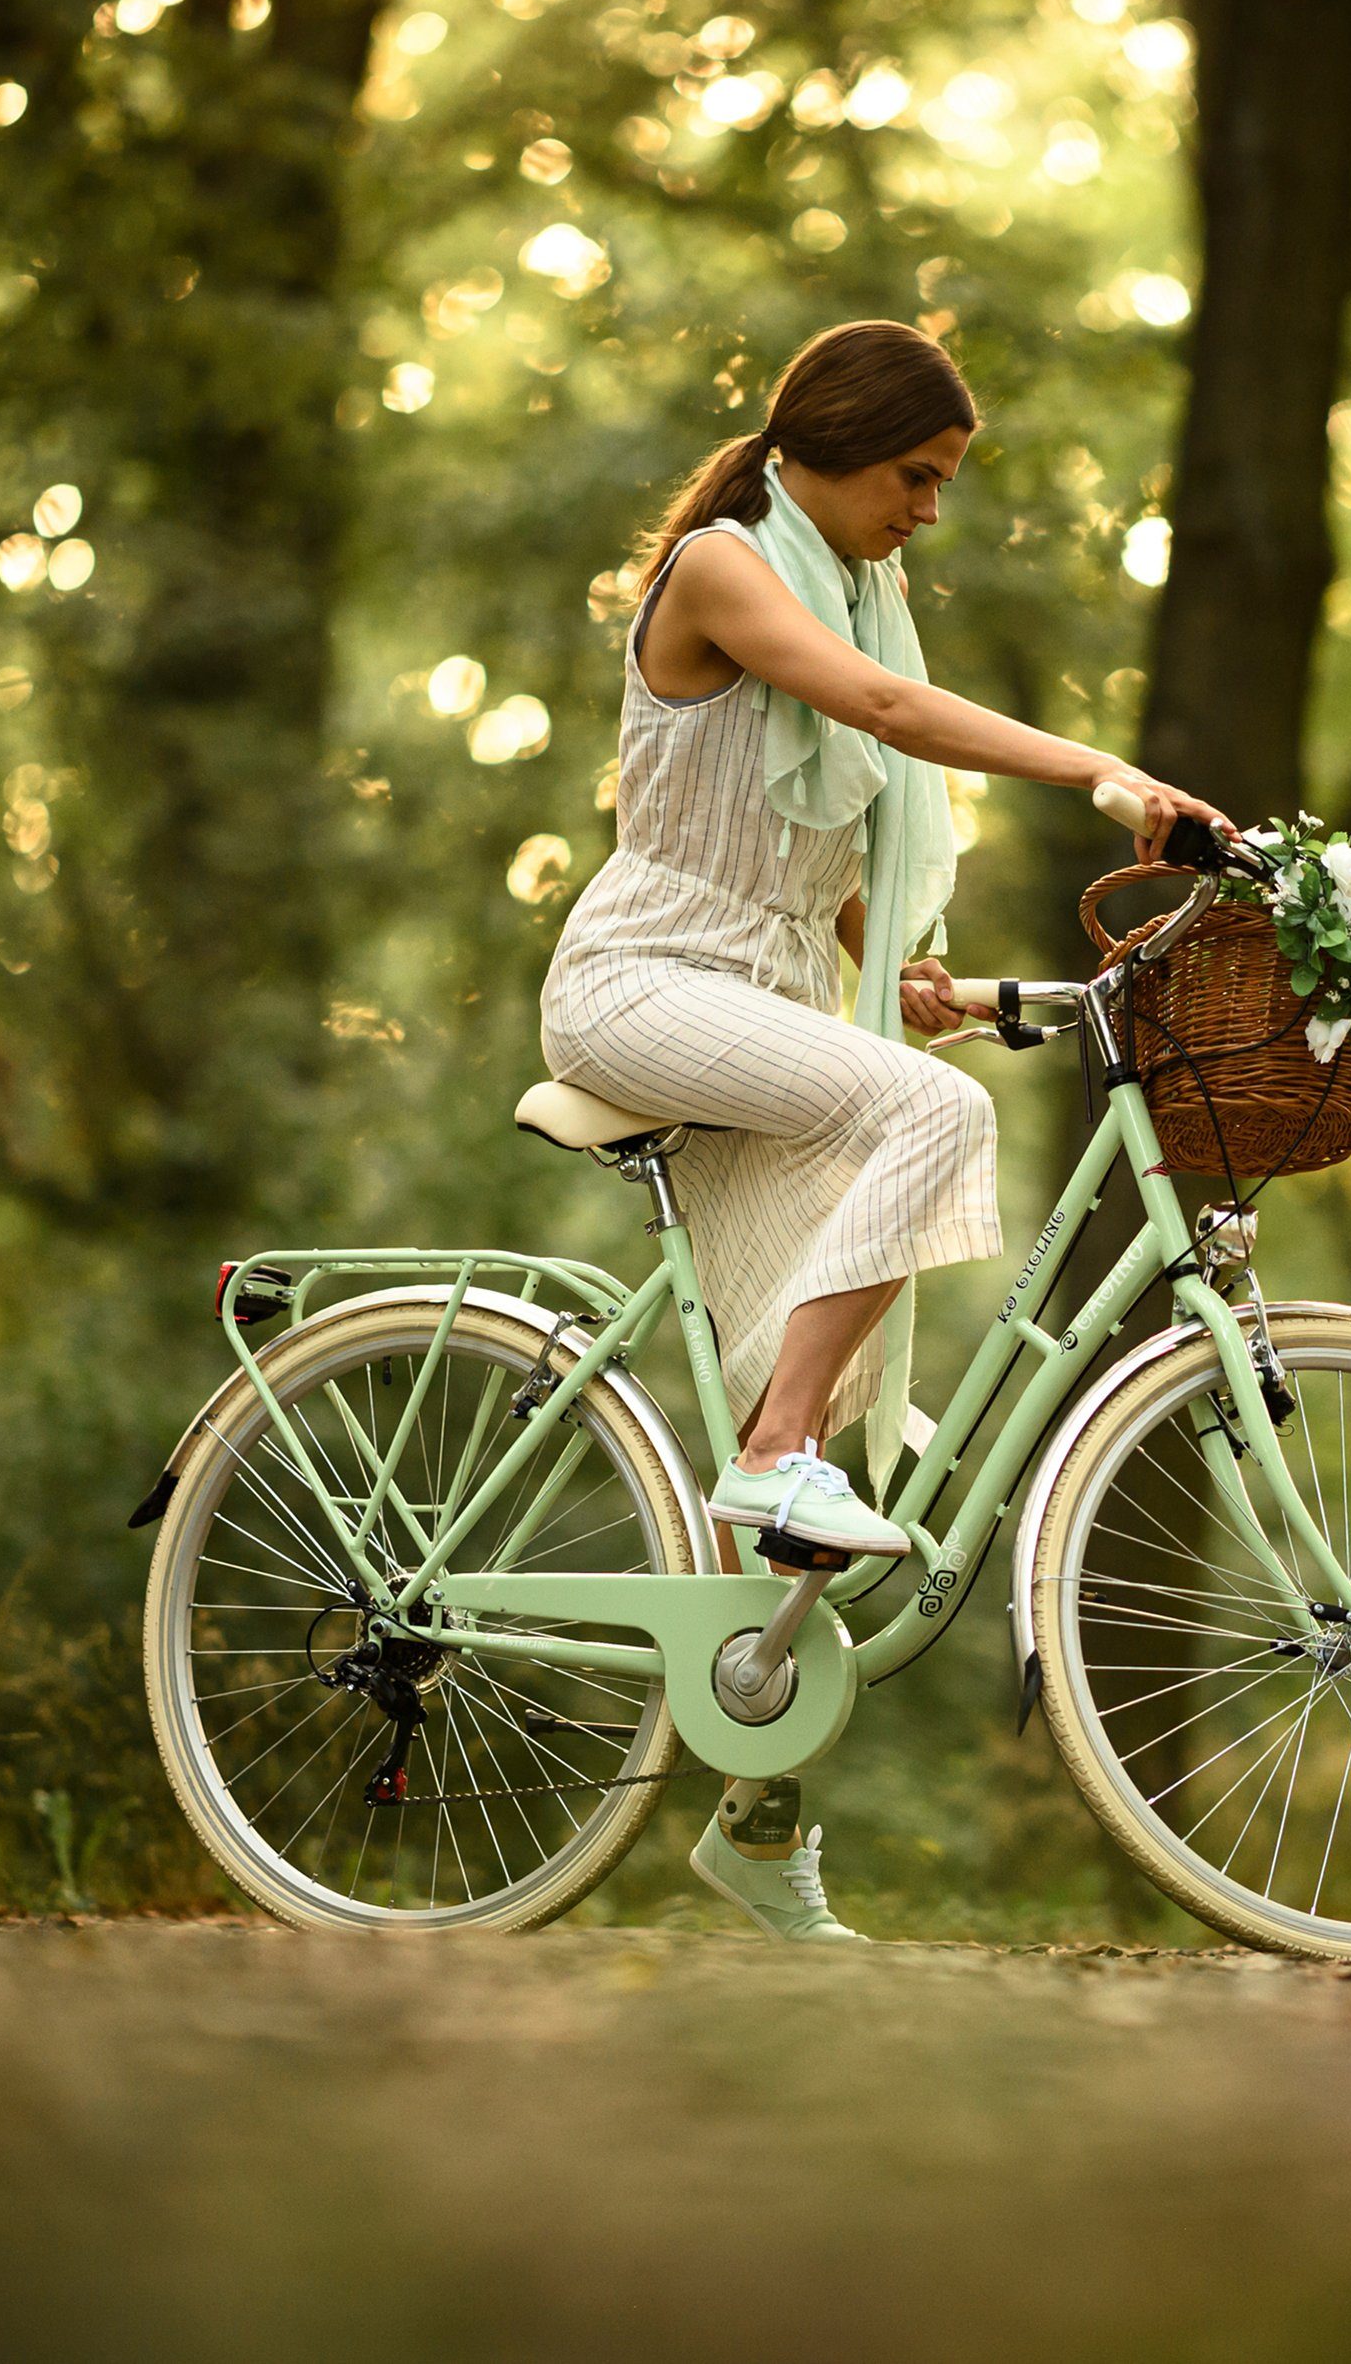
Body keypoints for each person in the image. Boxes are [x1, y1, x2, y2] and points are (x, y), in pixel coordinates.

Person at [537, 319, 1224, 1941]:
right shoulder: (724, 567)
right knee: (925, 1136)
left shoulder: (850, 589)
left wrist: (931, 986)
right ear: (831, 445)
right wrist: (1110, 778)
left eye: (943, 485)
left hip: (768, 993)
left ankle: (758, 1818)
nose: (930, 511)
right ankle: (763, 1463)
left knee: (842, 1372)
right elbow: (882, 713)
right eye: (917, 477)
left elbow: (829, 879)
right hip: (645, 980)